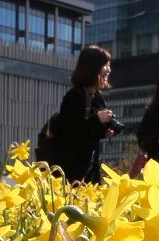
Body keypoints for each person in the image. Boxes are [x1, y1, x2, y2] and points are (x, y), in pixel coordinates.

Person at [40, 45, 120, 182]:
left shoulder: (97, 97)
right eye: (105, 65)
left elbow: (88, 132)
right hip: (70, 170)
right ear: (93, 67)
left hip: (89, 167)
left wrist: (106, 130)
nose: (109, 69)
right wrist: (97, 120)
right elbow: (71, 132)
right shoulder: (74, 96)